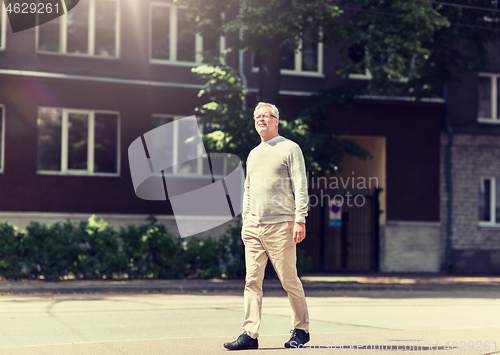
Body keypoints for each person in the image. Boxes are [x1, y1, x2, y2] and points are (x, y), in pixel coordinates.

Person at [223, 102, 310, 350]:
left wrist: (300, 219)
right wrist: (246, 219)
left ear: (276, 121)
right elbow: (248, 189)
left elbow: (300, 186)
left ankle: (301, 329)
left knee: (288, 280)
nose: (261, 119)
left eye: (266, 116)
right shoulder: (253, 153)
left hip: (281, 224)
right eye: (257, 116)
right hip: (253, 226)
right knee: (252, 281)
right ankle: (250, 334)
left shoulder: (290, 148)